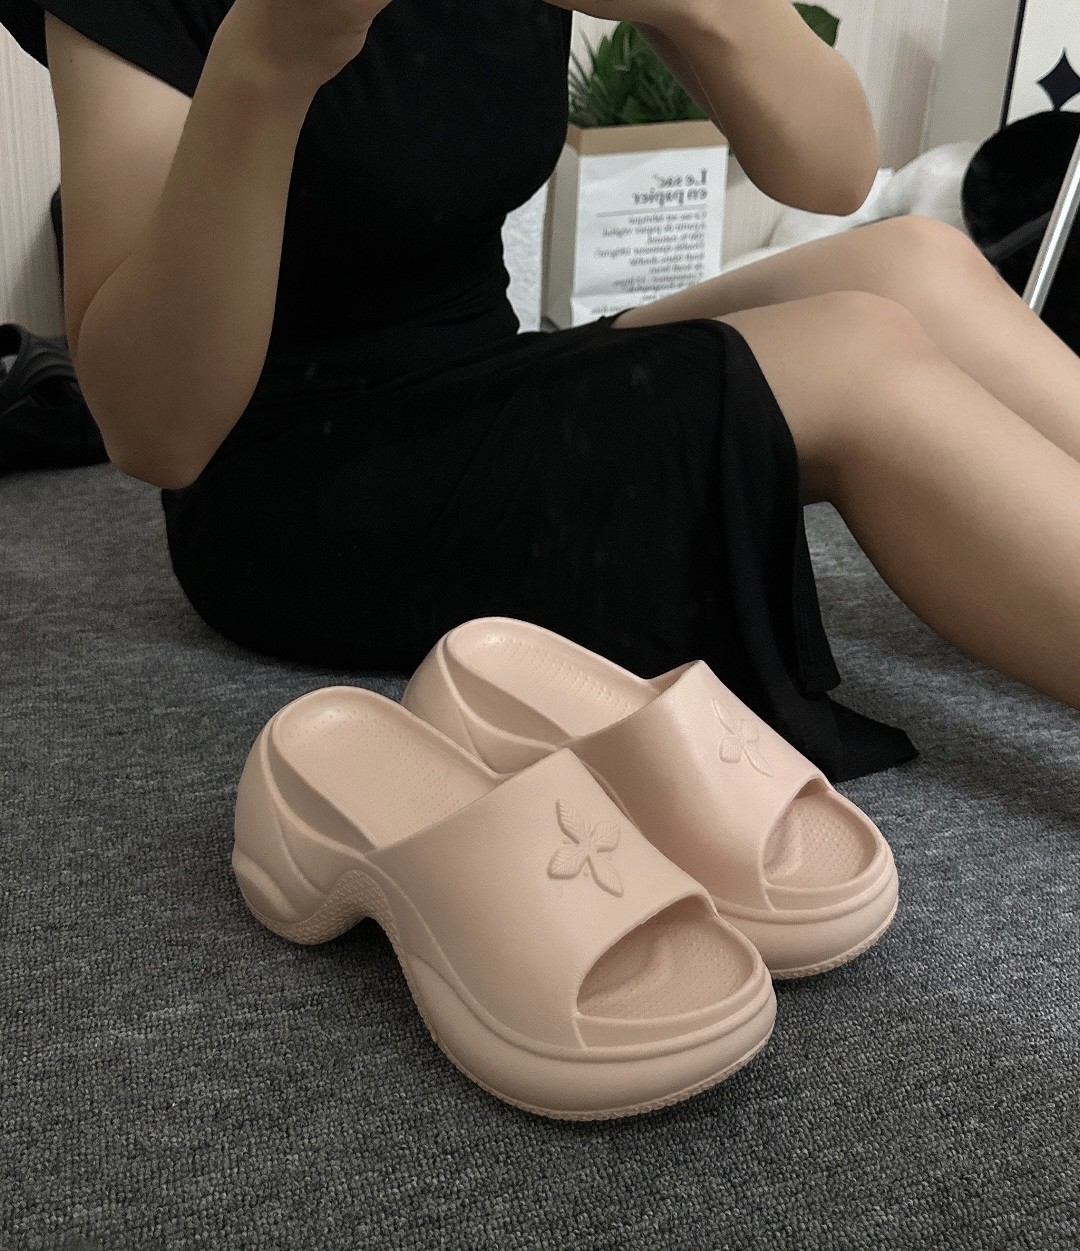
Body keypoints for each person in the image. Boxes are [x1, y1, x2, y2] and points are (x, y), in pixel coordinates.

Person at [1, 0, 1078, 784]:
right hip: (283, 482)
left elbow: (835, 174)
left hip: (477, 376)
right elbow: (157, 434)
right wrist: (266, 66)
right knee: (857, 356)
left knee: (913, 264)